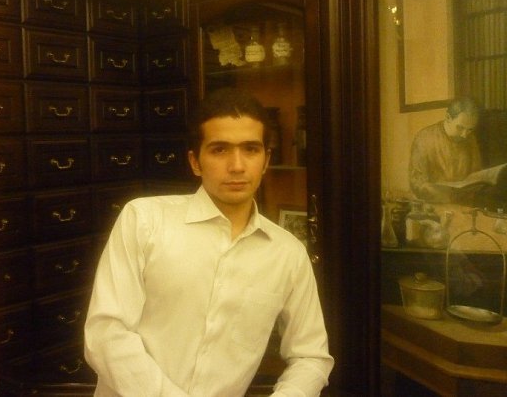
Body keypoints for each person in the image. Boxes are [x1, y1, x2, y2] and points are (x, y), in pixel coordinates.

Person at [84, 87, 334, 397]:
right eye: (219, 150)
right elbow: (106, 332)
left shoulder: (288, 253)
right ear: (195, 162)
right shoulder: (144, 221)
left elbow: (311, 356)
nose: (237, 166)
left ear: (266, 160)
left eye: (251, 149)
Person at [409, 98, 482, 203]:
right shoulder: (424, 138)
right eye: (460, 128)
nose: (465, 135)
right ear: (448, 117)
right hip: (434, 205)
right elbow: (417, 182)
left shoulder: (471, 139)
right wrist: (437, 192)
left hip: (464, 205)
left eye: (470, 129)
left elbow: (476, 174)